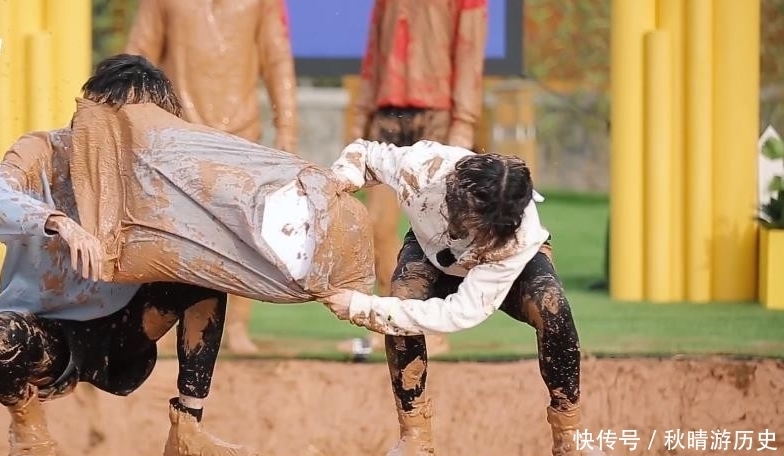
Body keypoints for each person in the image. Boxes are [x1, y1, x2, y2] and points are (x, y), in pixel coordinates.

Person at [0, 53, 372, 456]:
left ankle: (187, 428)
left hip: (124, 335)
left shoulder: (158, 169)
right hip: (44, 335)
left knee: (204, 267)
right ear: (93, 115)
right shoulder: (43, 151)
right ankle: (30, 437)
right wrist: (59, 222)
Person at [320, 139, 603, 456]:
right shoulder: (422, 167)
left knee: (552, 305)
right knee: (402, 300)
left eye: (483, 231)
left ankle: (569, 437)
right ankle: (415, 439)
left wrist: (362, 307)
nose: (474, 237)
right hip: (432, 249)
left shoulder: (518, 236)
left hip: (503, 264)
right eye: (471, 225)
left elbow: (459, 313)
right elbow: (365, 154)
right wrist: (344, 176)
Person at [124, 0, 298, 354]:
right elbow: (139, 56)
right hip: (178, 132)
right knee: (172, 234)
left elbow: (276, 58)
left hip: (240, 134)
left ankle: (235, 326)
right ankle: (165, 324)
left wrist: (288, 130)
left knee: (244, 237)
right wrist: (125, 121)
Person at [343, 0, 489, 356]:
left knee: (436, 230)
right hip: (387, 111)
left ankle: (432, 328)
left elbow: (469, 52)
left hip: (437, 112)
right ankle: (393, 321)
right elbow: (373, 54)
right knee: (375, 223)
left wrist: (463, 125)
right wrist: (360, 118)